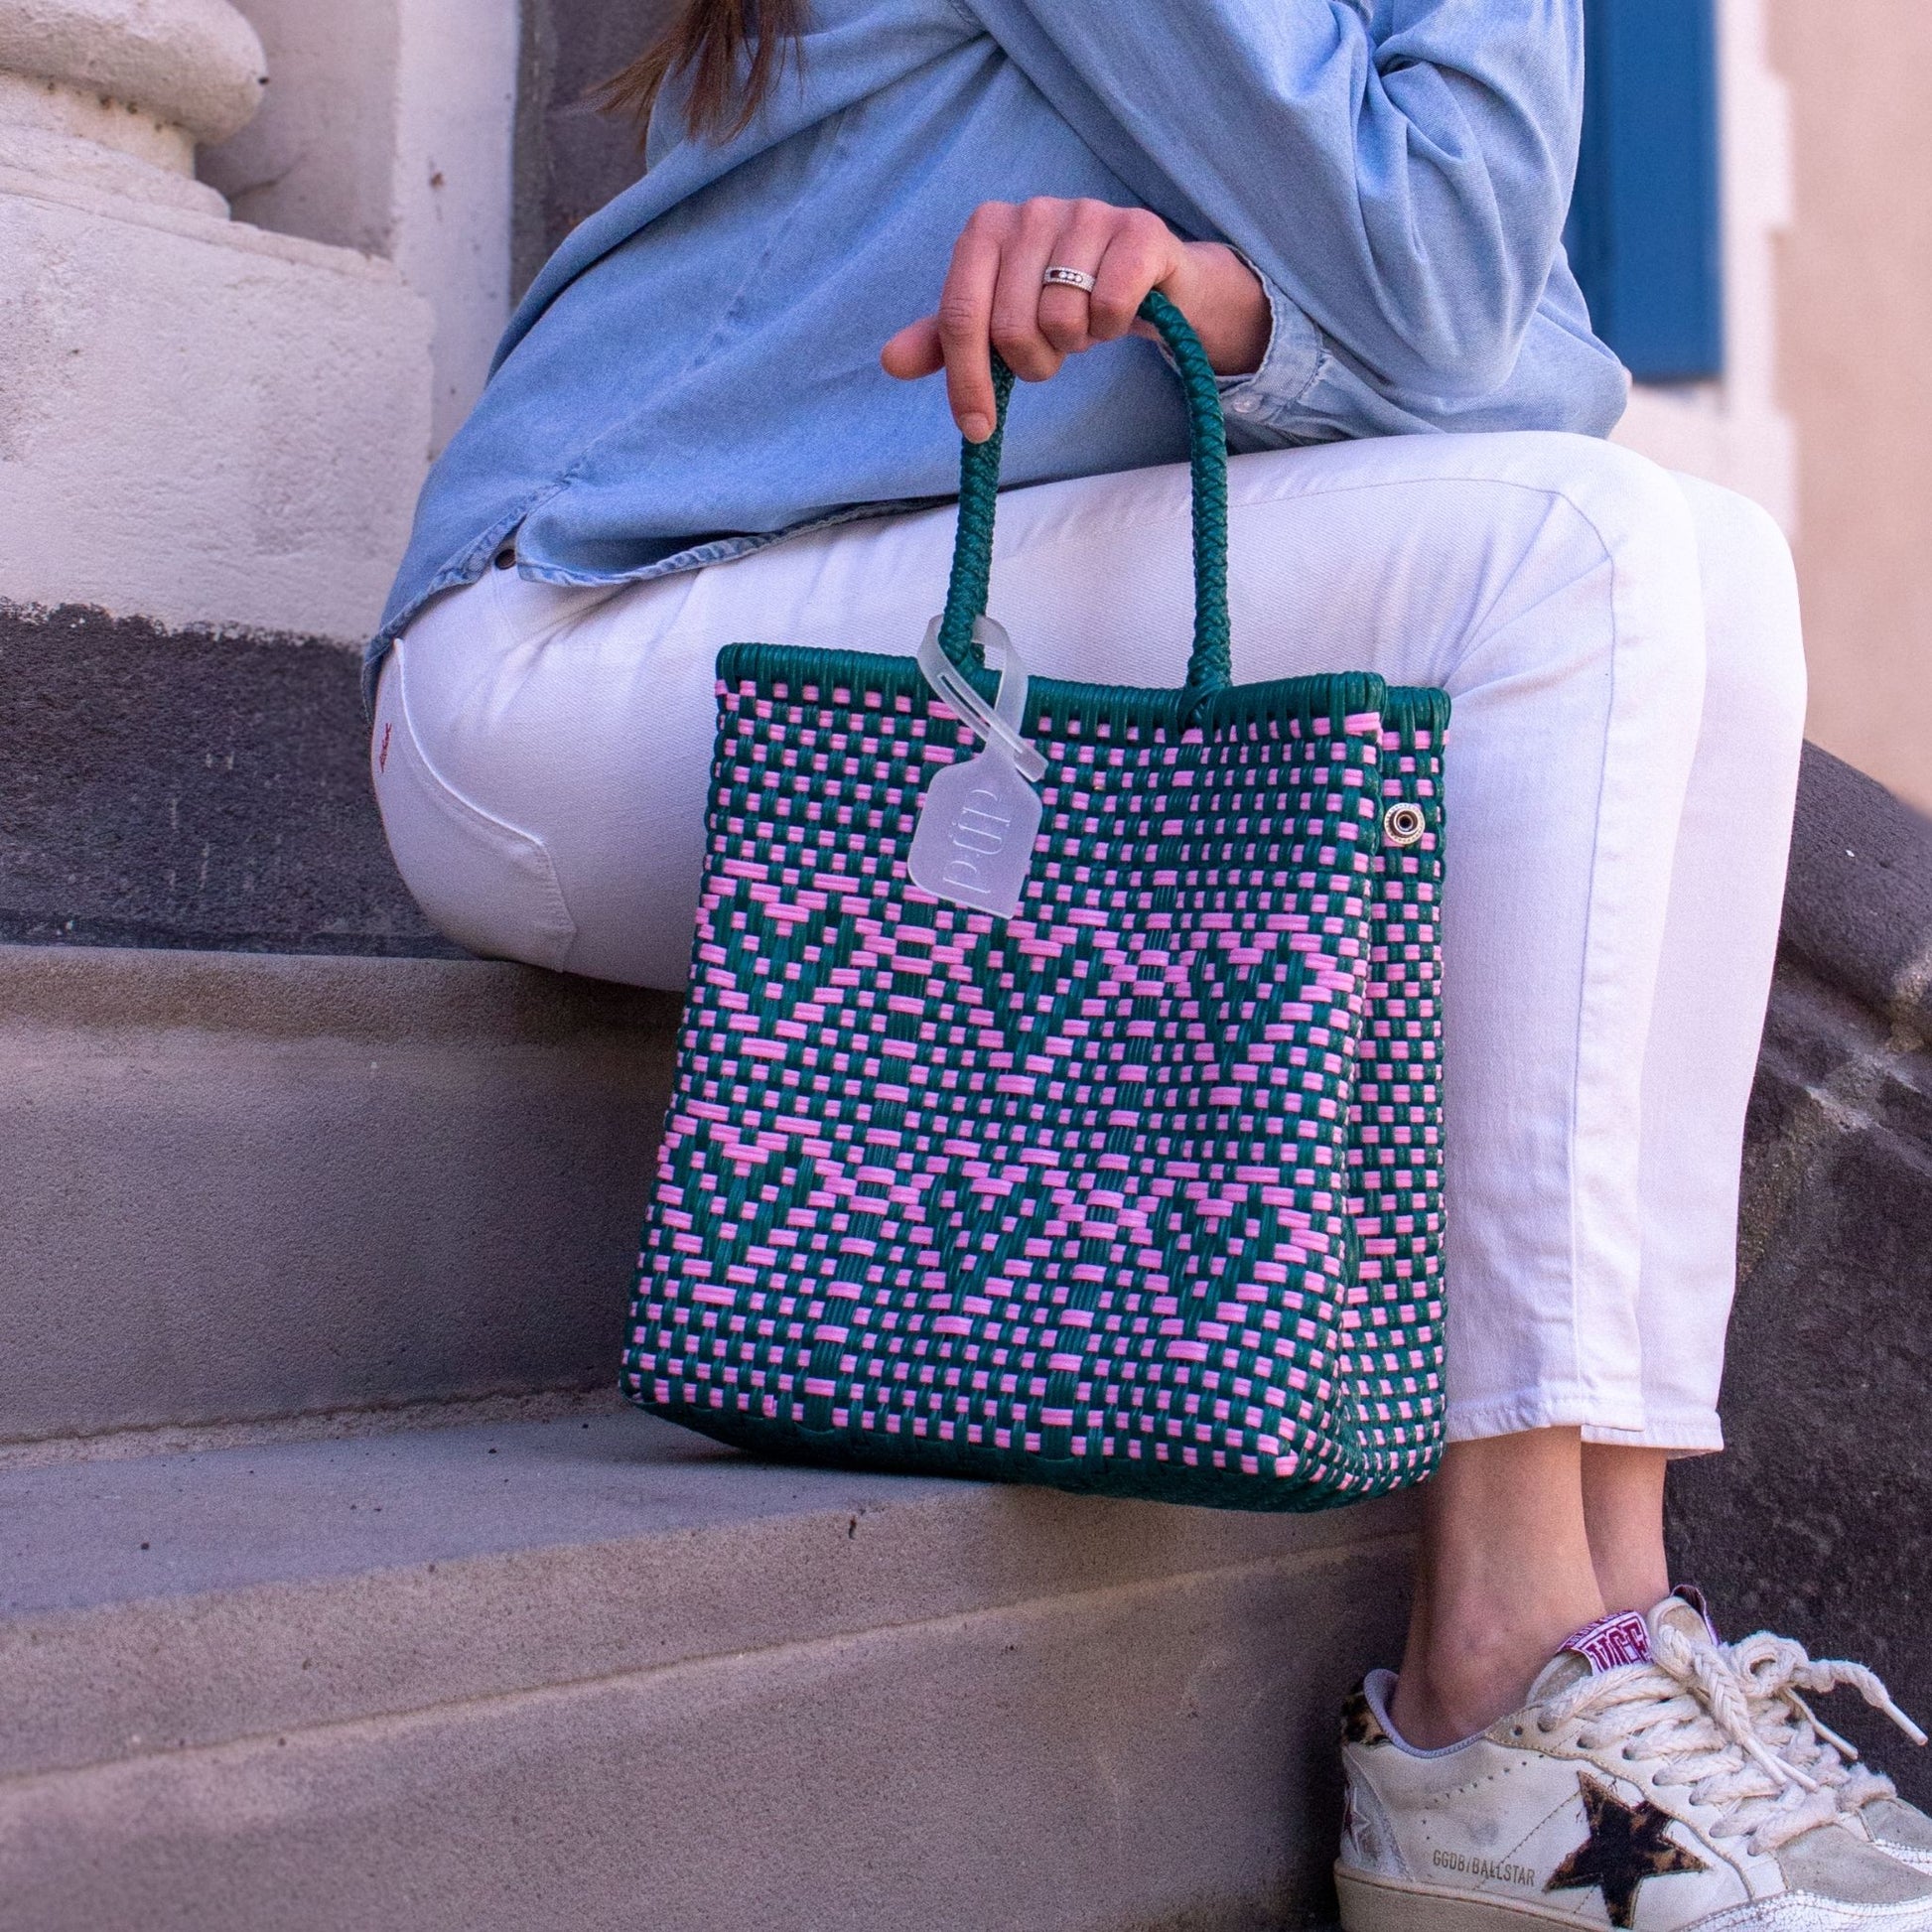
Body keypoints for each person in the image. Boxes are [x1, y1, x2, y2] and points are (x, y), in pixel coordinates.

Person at [366, 2, 1929, 1924]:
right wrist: (1310, 301)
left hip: (846, 598)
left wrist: (1233, 304)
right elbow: (1449, 299)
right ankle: (1495, 1671)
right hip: (572, 646)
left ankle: (1619, 1618)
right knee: (1579, 561)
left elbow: (1539, 360)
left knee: (1710, 560)